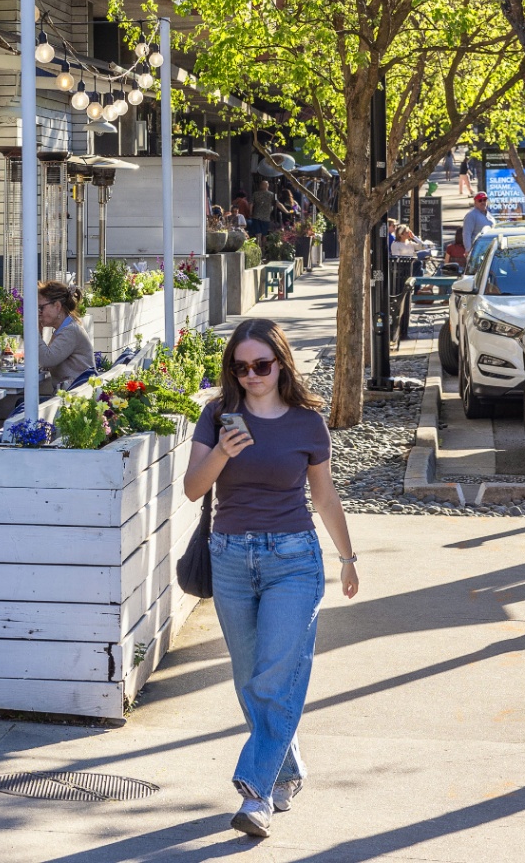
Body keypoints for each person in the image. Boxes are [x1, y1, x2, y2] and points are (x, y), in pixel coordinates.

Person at [183, 317, 358, 839]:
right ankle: (288, 769)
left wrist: (348, 557)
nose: (252, 376)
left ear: (281, 363)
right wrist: (223, 451)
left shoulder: (307, 422)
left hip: (293, 559)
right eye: (241, 368)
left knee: (276, 675)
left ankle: (255, 792)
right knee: (251, 681)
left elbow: (324, 496)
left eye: (261, 365)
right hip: (230, 558)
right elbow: (193, 489)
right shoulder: (218, 415)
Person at [35, 279, 96, 397]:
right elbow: (46, 362)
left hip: (77, 399)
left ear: (57, 306)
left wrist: (33, 330)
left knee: (22, 405)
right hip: (73, 396)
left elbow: (47, 360)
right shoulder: (64, 329)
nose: (38, 313)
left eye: (41, 308)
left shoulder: (70, 331)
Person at [461, 190, 493, 254]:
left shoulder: (489, 214)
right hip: (477, 251)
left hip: (490, 249)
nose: (483, 202)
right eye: (480, 200)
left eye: (484, 200)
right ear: (475, 202)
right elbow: (467, 233)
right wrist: (468, 249)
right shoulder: (471, 215)